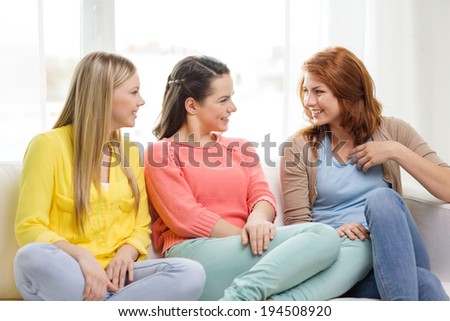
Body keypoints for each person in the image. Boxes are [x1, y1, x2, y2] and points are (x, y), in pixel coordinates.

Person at [144, 55, 373, 301]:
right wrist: (248, 235)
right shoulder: (162, 153)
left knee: (361, 248)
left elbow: (262, 196)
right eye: (223, 100)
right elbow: (187, 218)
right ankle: (239, 299)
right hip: (196, 255)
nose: (233, 107)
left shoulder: (240, 148)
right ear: (192, 106)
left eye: (231, 97)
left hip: (247, 248)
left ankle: (277, 305)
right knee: (322, 235)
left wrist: (257, 220)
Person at [14, 51, 205, 301]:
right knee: (31, 258)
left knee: (190, 273)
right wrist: (83, 258)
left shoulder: (130, 153)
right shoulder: (47, 146)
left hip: (120, 277)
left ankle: (99, 306)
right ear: (105, 95)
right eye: (134, 92)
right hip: (72, 273)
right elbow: (29, 226)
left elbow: (140, 227)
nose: (142, 101)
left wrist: (127, 253)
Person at [280, 46, 450, 300]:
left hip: (397, 251)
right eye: (305, 90)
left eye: (318, 92)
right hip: (343, 261)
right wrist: (332, 232)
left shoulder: (393, 131)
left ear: (347, 93)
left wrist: (396, 151)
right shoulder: (299, 147)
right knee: (426, 284)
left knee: (381, 199)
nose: (308, 101)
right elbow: (297, 227)